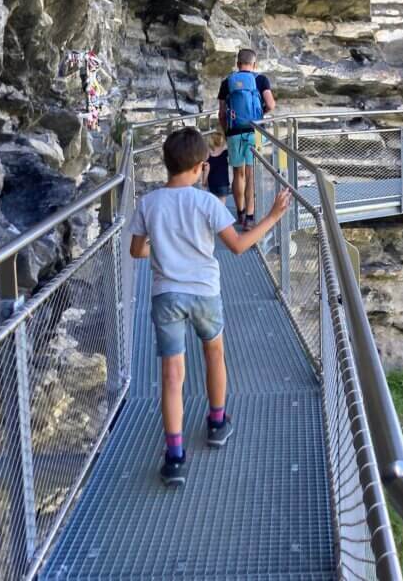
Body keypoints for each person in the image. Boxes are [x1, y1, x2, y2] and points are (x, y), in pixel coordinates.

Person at [129, 127, 292, 486]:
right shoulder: (206, 203)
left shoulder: (148, 203)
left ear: (168, 164)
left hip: (165, 295)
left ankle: (174, 458)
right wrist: (273, 217)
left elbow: (137, 251)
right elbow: (238, 245)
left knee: (172, 375)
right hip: (204, 291)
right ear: (202, 167)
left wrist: (166, 247)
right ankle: (216, 423)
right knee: (214, 354)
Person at [218, 48, 276, 229]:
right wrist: (261, 114)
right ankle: (250, 219)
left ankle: (241, 212)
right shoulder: (260, 79)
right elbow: (271, 104)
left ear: (237, 64)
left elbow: (221, 114)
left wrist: (227, 132)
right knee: (251, 175)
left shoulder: (227, 82)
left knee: (238, 173)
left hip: (235, 132)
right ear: (254, 64)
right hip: (255, 131)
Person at [202, 131, 231, 199]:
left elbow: (206, 169)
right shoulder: (225, 153)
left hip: (212, 184)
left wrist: (204, 181)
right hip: (223, 184)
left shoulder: (208, 156)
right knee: (222, 205)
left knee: (213, 203)